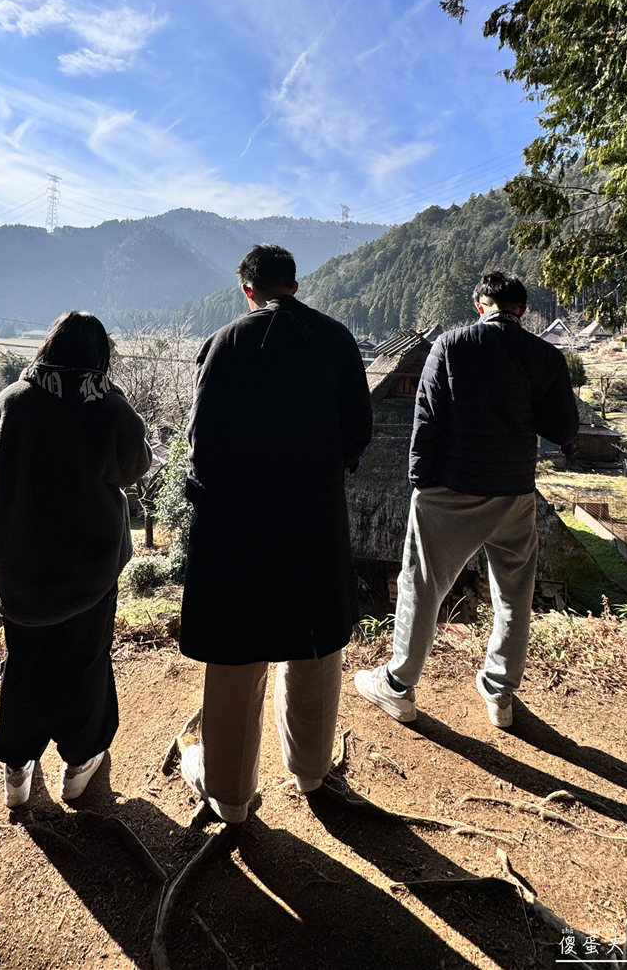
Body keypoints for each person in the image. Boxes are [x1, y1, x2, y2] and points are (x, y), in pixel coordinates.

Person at [178, 244, 373, 823]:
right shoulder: (336, 339)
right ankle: (311, 773)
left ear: (248, 290)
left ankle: (230, 797)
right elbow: (357, 434)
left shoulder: (225, 344)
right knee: (312, 644)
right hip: (313, 519)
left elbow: (201, 450)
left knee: (237, 655)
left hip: (236, 527)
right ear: (293, 283)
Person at [354, 270, 578, 730]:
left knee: (421, 585)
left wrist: (419, 480)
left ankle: (398, 687)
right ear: (522, 310)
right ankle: (499, 693)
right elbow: (564, 430)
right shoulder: (545, 356)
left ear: (481, 305)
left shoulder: (451, 345)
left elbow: (427, 417)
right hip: (514, 493)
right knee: (515, 596)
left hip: (452, 491)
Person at [0, 310, 152, 806]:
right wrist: (111, 395)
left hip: (22, 572)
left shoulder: (12, 401)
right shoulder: (109, 410)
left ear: (47, 348)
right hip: (89, 574)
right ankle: (78, 765)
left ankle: (17, 769)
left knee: (26, 665)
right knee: (84, 663)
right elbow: (135, 466)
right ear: (101, 358)